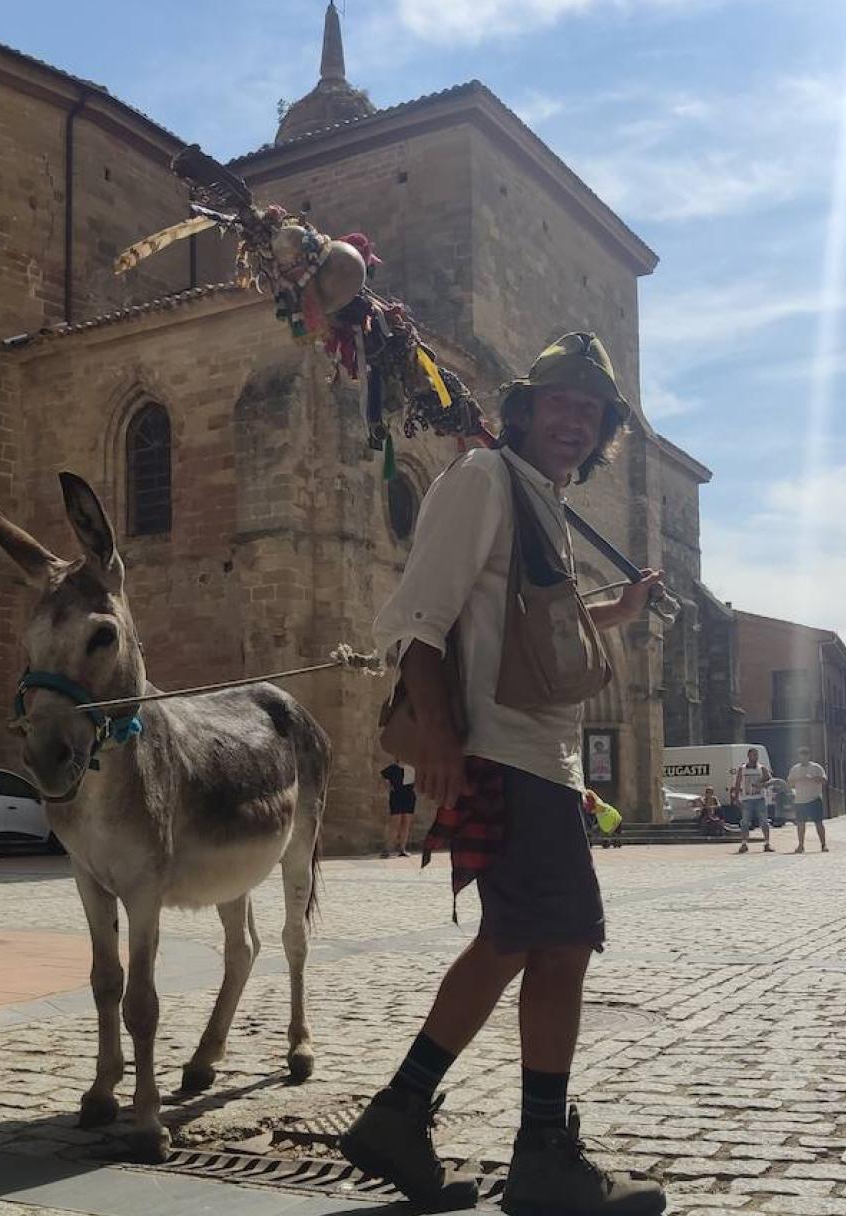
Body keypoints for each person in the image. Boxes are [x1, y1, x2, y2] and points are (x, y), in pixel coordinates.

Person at [348, 333, 666, 1215]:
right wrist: (443, 735)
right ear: (523, 410)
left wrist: (620, 609)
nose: (576, 420)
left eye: (592, 411)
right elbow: (418, 613)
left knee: (513, 944)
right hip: (508, 757)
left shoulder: (542, 503)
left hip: (539, 759)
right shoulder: (485, 478)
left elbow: (529, 630)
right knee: (559, 947)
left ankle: (399, 1114)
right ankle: (541, 1161)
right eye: (559, 402)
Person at [731, 747, 774, 855]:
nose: (755, 757)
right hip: (746, 799)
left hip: (760, 798)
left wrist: (762, 782)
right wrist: (736, 798)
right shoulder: (742, 769)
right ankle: (744, 843)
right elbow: (737, 783)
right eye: (753, 755)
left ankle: (767, 843)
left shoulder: (761, 768)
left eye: (756, 755)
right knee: (745, 822)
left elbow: (769, 778)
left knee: (764, 821)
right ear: (749, 756)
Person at [787, 746, 829, 853]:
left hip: (814, 799)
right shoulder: (795, 769)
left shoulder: (816, 768)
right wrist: (798, 779)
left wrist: (812, 778)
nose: (803, 759)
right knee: (800, 824)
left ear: (808, 756)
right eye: (801, 756)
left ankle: (823, 845)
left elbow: (824, 780)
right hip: (800, 800)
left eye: (805, 756)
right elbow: (789, 782)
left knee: (818, 823)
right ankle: (801, 845)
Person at [381, 762, 417, 858]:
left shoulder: (411, 768)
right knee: (395, 823)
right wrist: (388, 788)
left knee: (406, 823)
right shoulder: (392, 768)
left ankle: (402, 848)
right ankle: (388, 849)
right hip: (396, 796)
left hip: (408, 796)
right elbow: (384, 779)